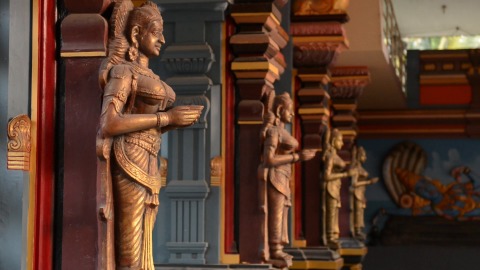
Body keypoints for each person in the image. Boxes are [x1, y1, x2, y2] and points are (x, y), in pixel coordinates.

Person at [96, 1, 202, 269]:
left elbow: (148, 122)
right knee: (130, 240)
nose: (162, 39)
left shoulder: (148, 74)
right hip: (129, 156)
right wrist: (166, 118)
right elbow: (109, 123)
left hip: (150, 156)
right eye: (156, 32)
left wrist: (173, 122)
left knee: (146, 235)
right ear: (135, 35)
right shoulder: (123, 72)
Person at [258, 92, 316, 267]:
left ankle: (279, 247)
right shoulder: (275, 131)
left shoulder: (282, 130)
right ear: (280, 109)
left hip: (284, 176)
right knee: (276, 213)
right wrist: (297, 157)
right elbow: (268, 159)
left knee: (283, 213)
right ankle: (274, 249)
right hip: (275, 177)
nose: (292, 114)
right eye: (289, 110)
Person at [323, 129, 356, 249]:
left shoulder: (335, 155)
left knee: (336, 211)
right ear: (333, 141)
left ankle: (334, 236)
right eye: (340, 140)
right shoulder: (331, 156)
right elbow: (326, 175)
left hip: (336, 187)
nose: (342, 143)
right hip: (331, 187)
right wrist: (345, 175)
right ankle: (330, 236)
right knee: (331, 213)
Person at [351, 146, 378, 241]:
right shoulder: (356, 168)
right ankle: (357, 230)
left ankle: (359, 230)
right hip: (357, 192)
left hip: (361, 192)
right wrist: (369, 182)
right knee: (357, 212)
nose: (365, 158)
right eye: (363, 155)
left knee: (360, 211)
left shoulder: (359, 167)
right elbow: (354, 183)